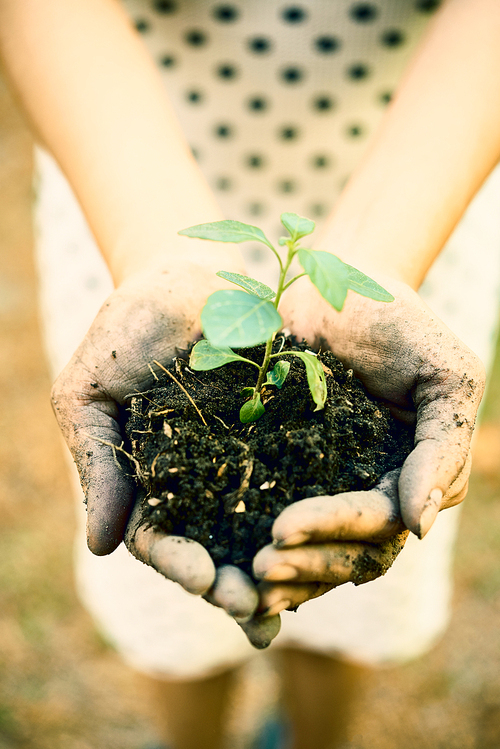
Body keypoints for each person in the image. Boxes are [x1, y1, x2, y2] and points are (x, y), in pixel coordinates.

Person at [2, 0, 500, 746]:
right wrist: (161, 252)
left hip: (423, 186)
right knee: (174, 628)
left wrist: (378, 255)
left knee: (343, 609)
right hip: (122, 185)